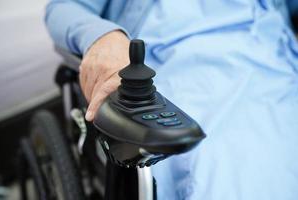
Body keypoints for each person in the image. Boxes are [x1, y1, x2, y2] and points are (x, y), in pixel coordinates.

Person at [45, 0, 298, 199]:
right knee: (233, 171)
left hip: (273, 53)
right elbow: (63, 8)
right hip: (177, 62)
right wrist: (102, 37)